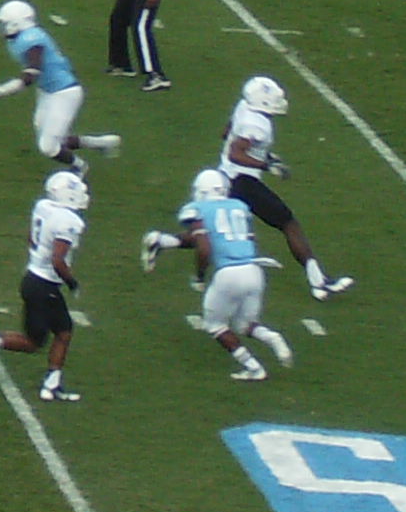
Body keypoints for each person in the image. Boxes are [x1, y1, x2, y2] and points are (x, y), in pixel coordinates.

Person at [140, 170, 298, 383]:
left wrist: (199, 277)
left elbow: (204, 247)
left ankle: (254, 368)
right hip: (254, 270)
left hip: (229, 275)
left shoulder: (196, 209)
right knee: (244, 325)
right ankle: (273, 338)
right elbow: (235, 239)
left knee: (215, 325)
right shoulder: (239, 206)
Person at [0, 171, 89, 402]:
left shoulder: (43, 206)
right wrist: (72, 282)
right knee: (37, 341)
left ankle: (51, 384)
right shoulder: (69, 222)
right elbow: (58, 260)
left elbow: (31, 238)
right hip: (45, 286)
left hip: (32, 278)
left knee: (62, 331)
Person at [217, 75, 354, 299]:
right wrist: (266, 164)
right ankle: (319, 282)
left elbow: (226, 134)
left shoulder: (244, 106)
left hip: (228, 176)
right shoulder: (257, 124)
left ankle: (164, 241)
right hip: (242, 182)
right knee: (289, 224)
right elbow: (236, 153)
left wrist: (263, 154)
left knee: (214, 229)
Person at [0, 1, 120, 169]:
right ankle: (102, 143)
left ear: (16, 24)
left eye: (4, 23)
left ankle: (79, 167)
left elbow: (30, 76)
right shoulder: (20, 38)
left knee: (48, 146)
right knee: (53, 138)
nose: (1, 28)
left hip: (64, 93)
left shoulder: (32, 40)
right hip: (47, 90)